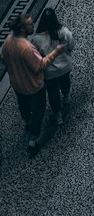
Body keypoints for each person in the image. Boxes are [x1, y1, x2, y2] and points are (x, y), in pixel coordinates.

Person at [2, 14, 63, 151]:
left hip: (17, 84)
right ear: (23, 29)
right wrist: (56, 52)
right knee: (38, 112)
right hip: (33, 87)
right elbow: (39, 65)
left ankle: (27, 121)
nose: (33, 25)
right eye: (30, 24)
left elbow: (3, 59)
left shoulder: (8, 41)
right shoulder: (27, 47)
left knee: (23, 104)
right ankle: (33, 140)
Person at [30, 8, 73, 127]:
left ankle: (58, 116)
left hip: (49, 73)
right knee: (65, 82)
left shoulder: (37, 39)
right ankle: (66, 97)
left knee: (53, 93)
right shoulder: (64, 31)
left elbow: (36, 56)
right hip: (65, 67)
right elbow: (71, 45)